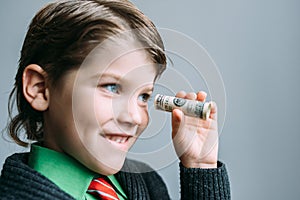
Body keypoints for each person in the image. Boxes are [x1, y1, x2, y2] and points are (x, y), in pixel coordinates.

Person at [0, 0, 230, 199]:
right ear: (40, 89)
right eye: (111, 87)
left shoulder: (149, 183)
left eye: (143, 96)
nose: (134, 117)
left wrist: (201, 167)